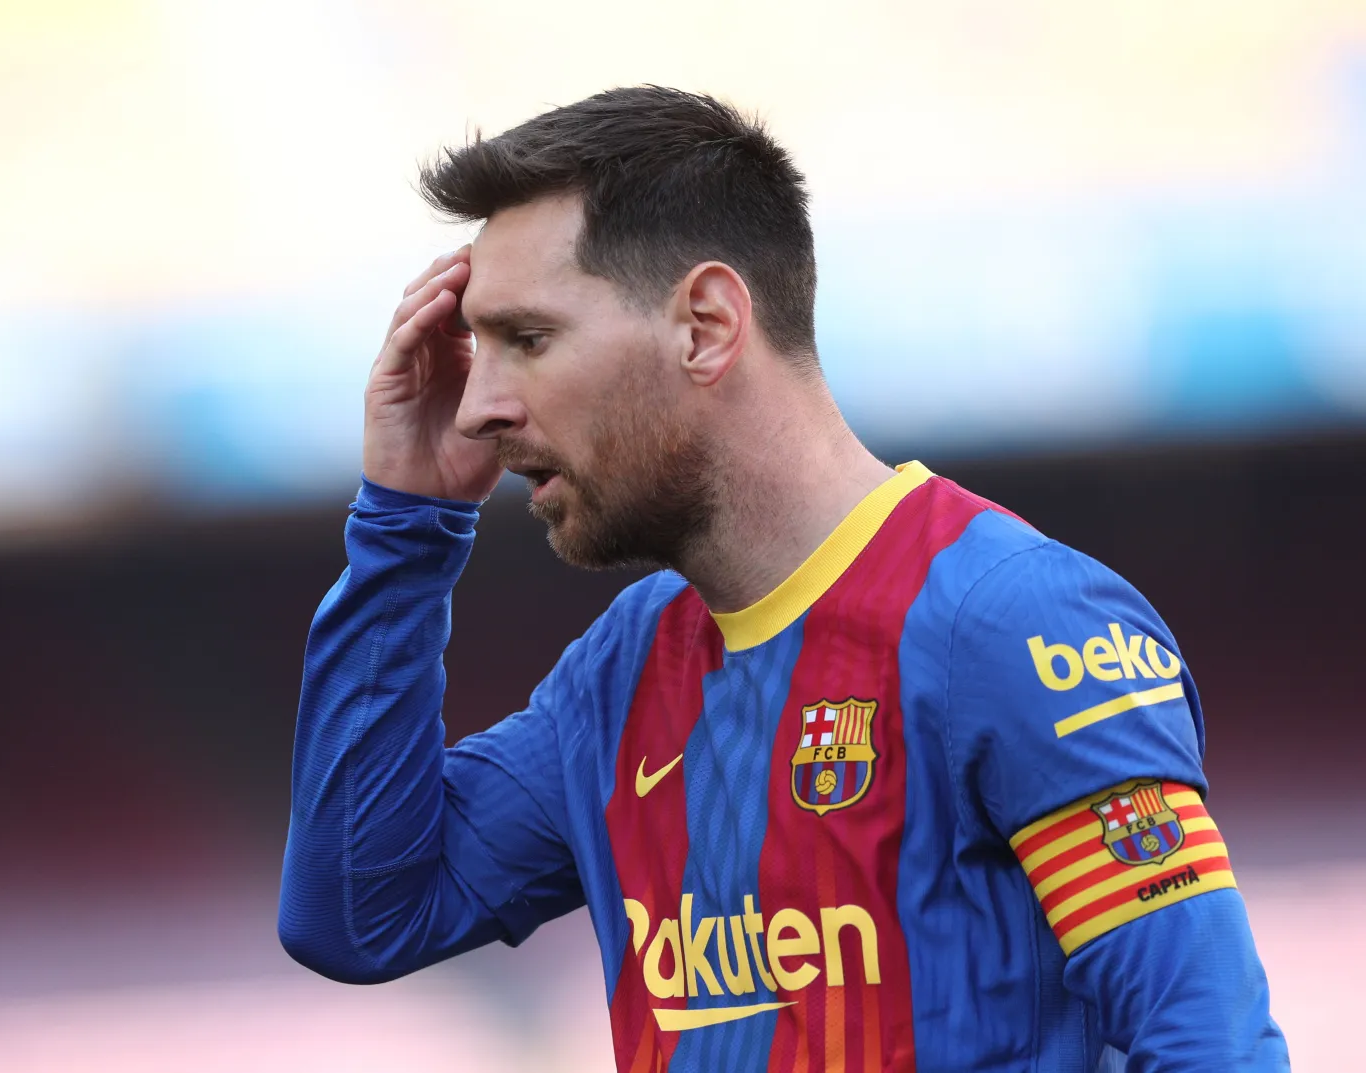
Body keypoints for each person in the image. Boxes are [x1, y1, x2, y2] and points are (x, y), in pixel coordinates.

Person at [277, 86, 1289, 1071]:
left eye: (527, 340)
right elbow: (363, 913)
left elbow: (1213, 1044)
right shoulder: (623, 670)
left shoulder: (1013, 623)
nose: (476, 408)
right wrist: (405, 527)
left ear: (708, 324)